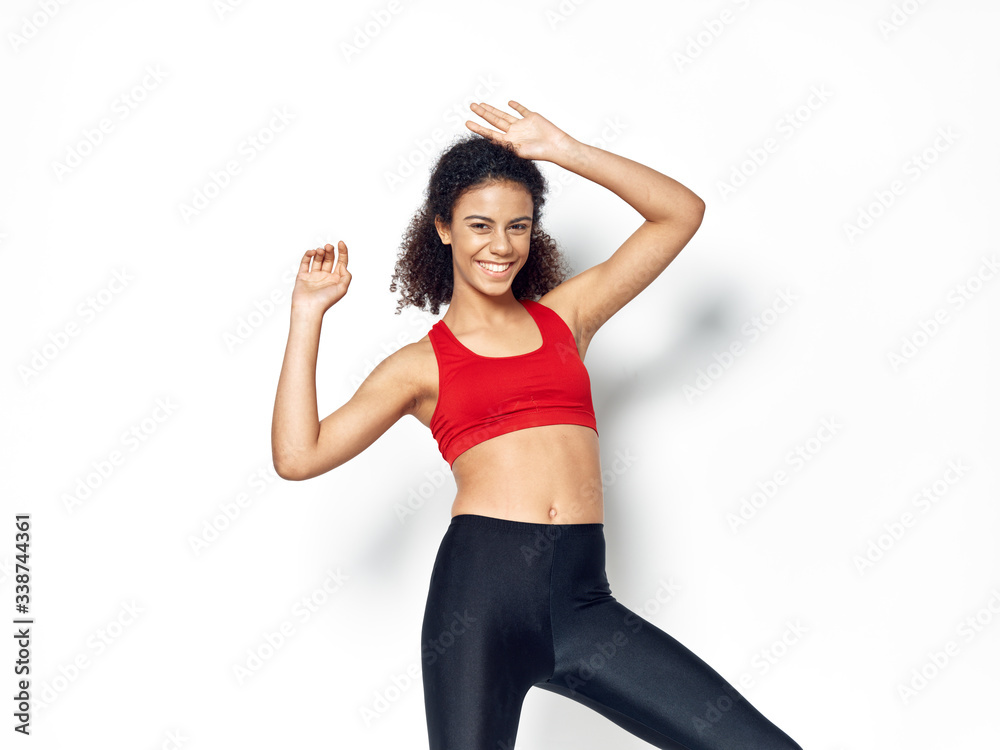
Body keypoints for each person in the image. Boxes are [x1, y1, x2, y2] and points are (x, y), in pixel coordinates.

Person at [271, 100, 804, 749]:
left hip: (584, 605)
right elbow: (299, 455)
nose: (501, 246)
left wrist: (565, 150)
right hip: (478, 605)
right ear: (443, 228)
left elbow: (680, 213)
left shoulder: (565, 318)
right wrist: (307, 316)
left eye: (517, 226)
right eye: (480, 225)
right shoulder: (419, 367)